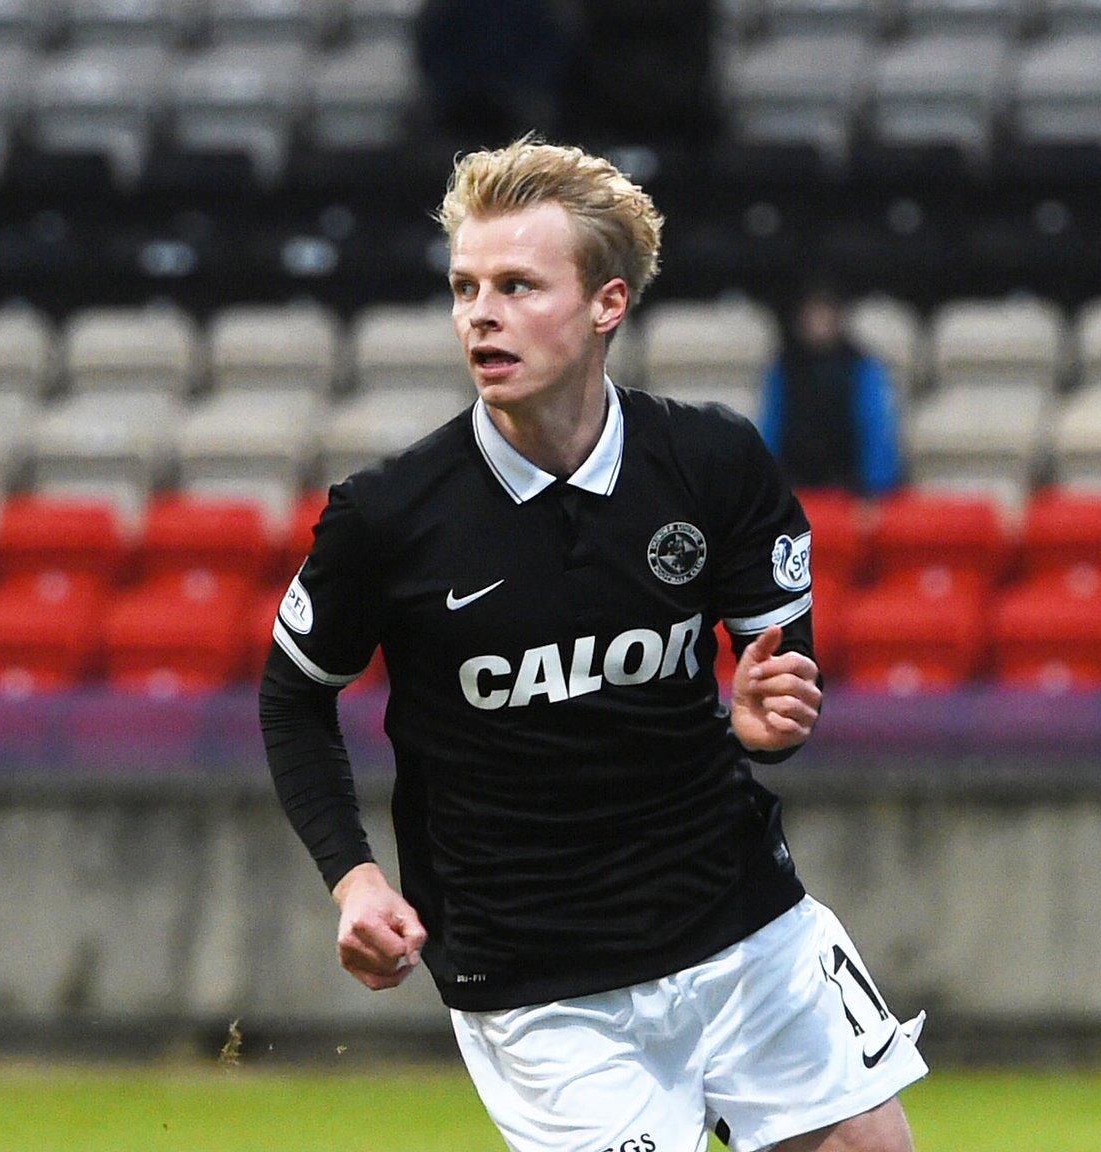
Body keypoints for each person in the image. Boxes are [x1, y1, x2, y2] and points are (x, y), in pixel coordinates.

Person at [259, 137, 927, 1152]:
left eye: (517, 285)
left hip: (739, 923)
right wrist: (351, 877)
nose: (478, 313)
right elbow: (291, 696)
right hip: (535, 977)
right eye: (464, 287)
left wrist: (766, 721)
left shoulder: (712, 465)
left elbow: (777, 688)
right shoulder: (386, 516)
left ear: (605, 304)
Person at [758, 285, 903, 497]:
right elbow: (773, 426)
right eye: (813, 317)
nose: (819, 325)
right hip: (797, 487)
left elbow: (874, 427)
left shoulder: (860, 365)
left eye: (825, 317)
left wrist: (874, 488)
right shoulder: (785, 368)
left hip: (849, 489)